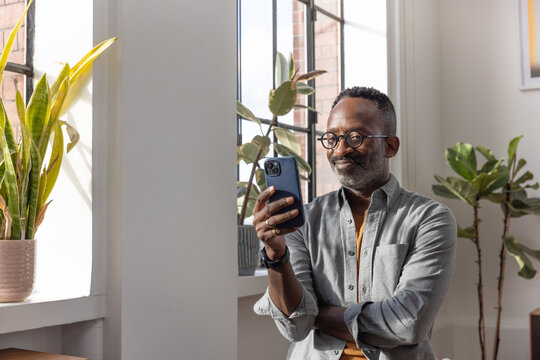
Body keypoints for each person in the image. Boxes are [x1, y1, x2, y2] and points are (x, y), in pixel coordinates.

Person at [252, 86, 456, 360]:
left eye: (355, 136)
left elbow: (409, 323)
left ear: (391, 146)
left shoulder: (430, 219)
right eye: (332, 138)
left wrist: (316, 314)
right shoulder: (304, 222)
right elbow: (295, 326)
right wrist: (276, 256)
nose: (341, 149)